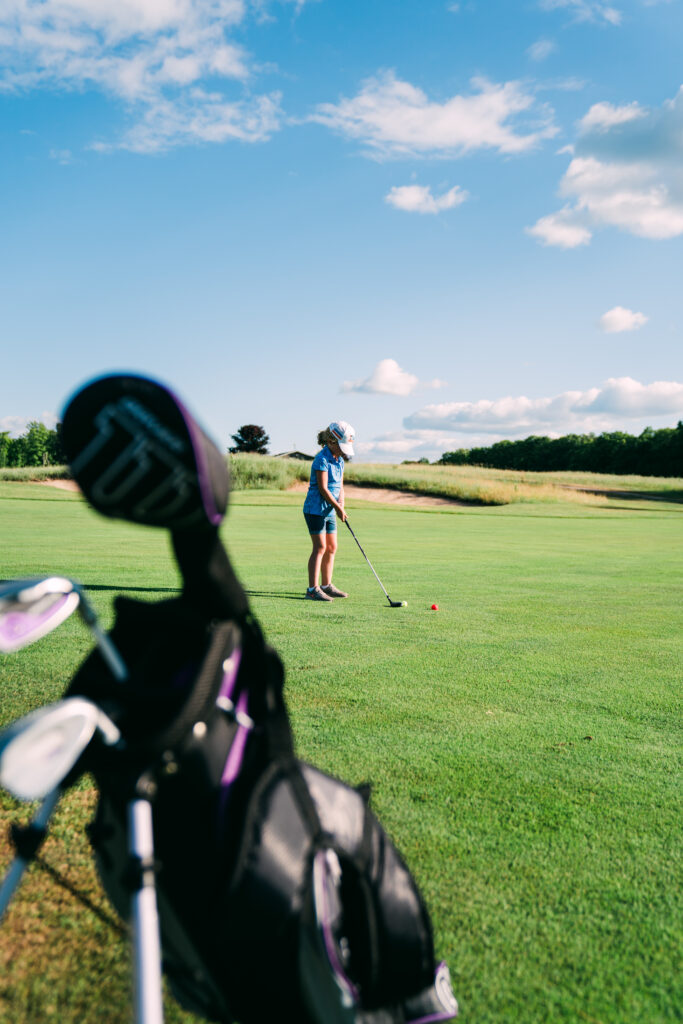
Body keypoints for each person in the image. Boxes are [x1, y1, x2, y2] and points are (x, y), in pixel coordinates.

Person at [303, 421, 355, 601]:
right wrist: (338, 507)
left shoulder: (339, 460)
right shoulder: (322, 459)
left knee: (332, 547)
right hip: (315, 509)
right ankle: (312, 589)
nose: (343, 451)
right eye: (341, 447)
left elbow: (340, 485)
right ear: (331, 441)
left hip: (330, 509)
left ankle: (326, 585)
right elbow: (324, 489)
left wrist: (342, 501)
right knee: (320, 547)